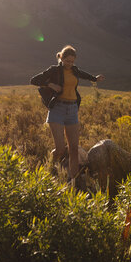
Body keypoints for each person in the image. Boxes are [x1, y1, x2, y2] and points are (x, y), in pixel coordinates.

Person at [30, 45, 104, 183]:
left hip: (72, 110)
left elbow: (85, 75)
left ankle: (73, 180)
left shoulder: (74, 70)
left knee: (74, 149)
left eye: (72, 61)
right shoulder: (54, 70)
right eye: (67, 61)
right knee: (59, 149)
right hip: (57, 109)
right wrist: (51, 84)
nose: (69, 64)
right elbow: (34, 80)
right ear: (61, 58)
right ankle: (49, 168)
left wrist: (95, 78)